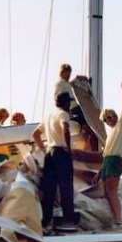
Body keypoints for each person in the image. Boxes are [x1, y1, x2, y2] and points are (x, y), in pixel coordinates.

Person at [32, 92, 77, 233]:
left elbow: (35, 134)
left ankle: (45, 221)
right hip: (61, 152)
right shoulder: (63, 114)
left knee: (49, 189)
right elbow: (65, 129)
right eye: (69, 102)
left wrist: (43, 148)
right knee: (66, 187)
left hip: (49, 152)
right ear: (66, 103)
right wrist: (68, 148)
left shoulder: (49, 115)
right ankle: (68, 220)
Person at [99, 81, 122, 227]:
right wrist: (99, 171)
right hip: (107, 161)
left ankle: (119, 221)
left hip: (115, 160)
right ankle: (114, 220)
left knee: (111, 191)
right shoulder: (111, 133)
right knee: (106, 191)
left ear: (115, 116)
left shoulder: (121, 125)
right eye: (105, 119)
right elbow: (106, 153)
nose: (108, 120)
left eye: (110, 117)